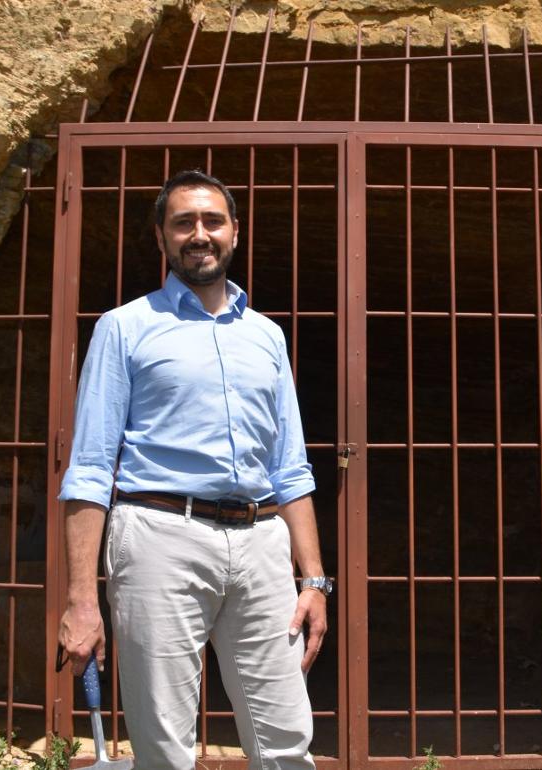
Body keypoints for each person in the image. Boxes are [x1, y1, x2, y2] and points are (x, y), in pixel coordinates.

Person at [57, 169, 330, 770]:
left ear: (235, 231)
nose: (199, 234)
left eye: (212, 221)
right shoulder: (123, 328)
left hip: (262, 542)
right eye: (183, 223)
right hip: (159, 536)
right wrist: (81, 600)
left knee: (286, 738)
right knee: (163, 746)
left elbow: (289, 466)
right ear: (161, 237)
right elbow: (91, 467)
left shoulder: (267, 337)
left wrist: (314, 580)